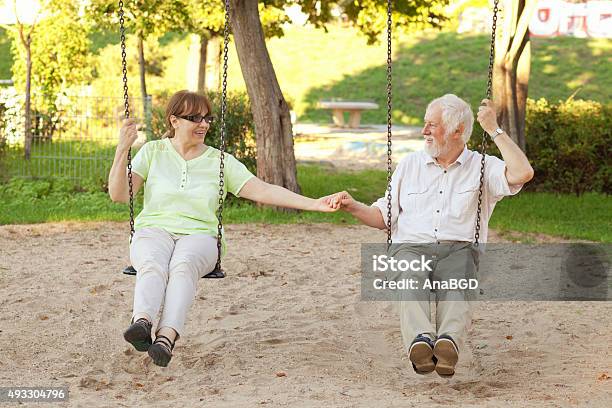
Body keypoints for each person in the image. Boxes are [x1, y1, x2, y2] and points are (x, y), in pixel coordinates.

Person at [108, 90, 338, 367]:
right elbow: (120, 194)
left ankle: (165, 339)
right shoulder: (153, 151)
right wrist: (123, 148)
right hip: (154, 229)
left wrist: (314, 204)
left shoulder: (219, 161)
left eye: (207, 118)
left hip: (200, 235)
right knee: (153, 261)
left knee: (183, 265)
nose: (204, 124)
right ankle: (142, 323)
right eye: (195, 118)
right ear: (174, 121)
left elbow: (262, 190)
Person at [327, 94, 533, 376]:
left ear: (457, 131)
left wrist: (494, 130)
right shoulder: (410, 165)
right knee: (409, 275)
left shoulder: (482, 166)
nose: (424, 131)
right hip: (410, 248)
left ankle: (447, 344)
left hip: (458, 249)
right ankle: (421, 342)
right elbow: (382, 218)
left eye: (432, 125)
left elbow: (522, 173)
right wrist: (353, 206)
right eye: (425, 124)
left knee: (458, 279)